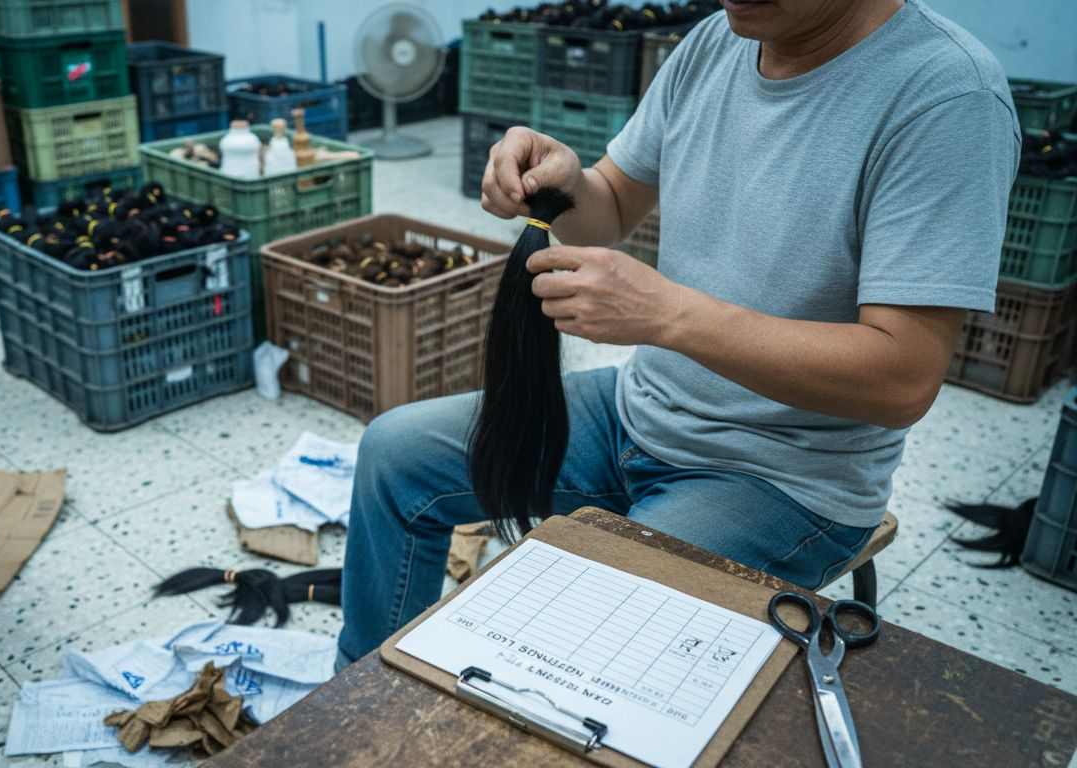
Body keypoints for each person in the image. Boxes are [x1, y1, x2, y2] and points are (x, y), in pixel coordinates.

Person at [336, 0, 1020, 667]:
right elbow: (608, 207)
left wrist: (670, 314)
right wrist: (569, 181)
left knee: (566, 623)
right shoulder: (713, 43)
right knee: (394, 456)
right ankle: (360, 706)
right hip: (642, 411)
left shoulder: (946, 97)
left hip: (782, 475)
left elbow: (902, 379)